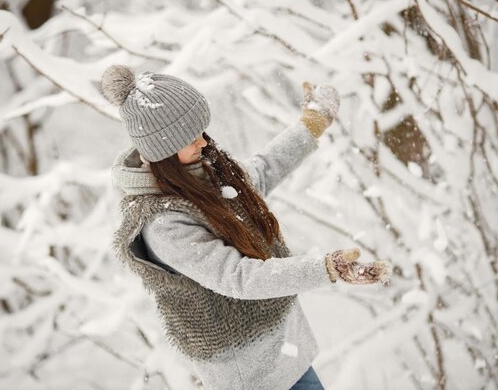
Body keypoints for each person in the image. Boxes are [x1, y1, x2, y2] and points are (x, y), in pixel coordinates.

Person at [101, 66, 393, 390]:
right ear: (162, 151)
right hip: (250, 375)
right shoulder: (162, 223)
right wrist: (326, 269)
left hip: (283, 353)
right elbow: (238, 277)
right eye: (189, 138)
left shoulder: (200, 171)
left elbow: (261, 171)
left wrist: (311, 125)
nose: (202, 141)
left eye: (201, 130)